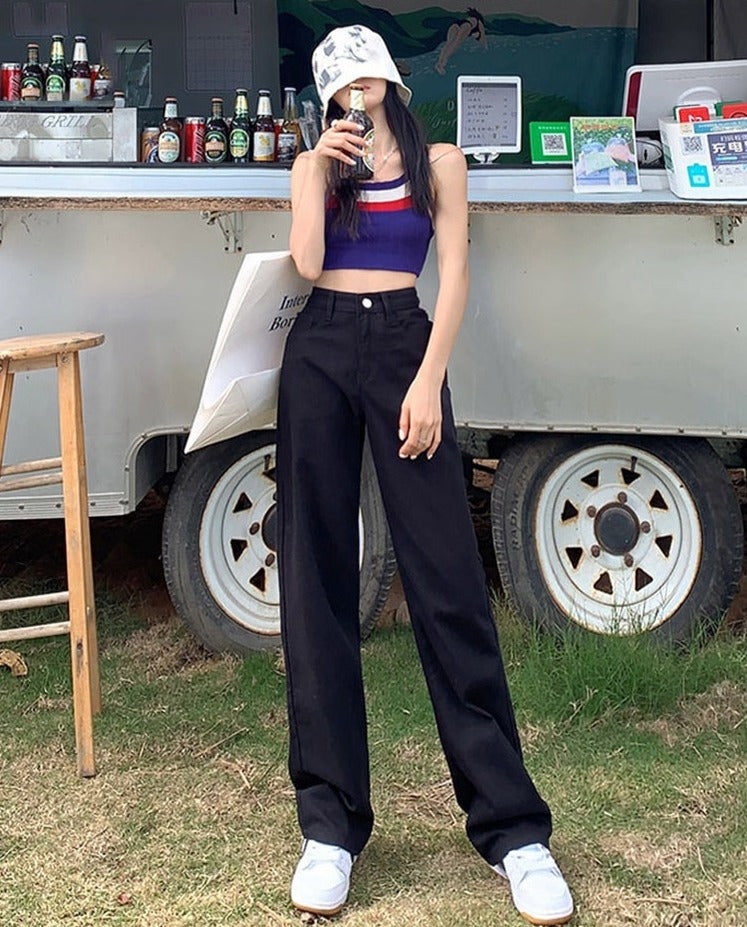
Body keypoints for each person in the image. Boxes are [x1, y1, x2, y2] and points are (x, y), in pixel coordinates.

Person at [278, 23, 574, 926]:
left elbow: (454, 274)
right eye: (337, 84)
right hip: (320, 349)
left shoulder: (440, 161)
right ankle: (329, 826)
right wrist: (315, 170)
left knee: (446, 578)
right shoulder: (313, 166)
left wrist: (427, 380)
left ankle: (512, 829)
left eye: (362, 75)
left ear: (387, 79)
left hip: (407, 343)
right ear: (327, 97)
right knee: (315, 578)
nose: (353, 90)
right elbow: (307, 264)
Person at [435, 8, 487, 75]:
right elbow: (483, 36)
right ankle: (443, 63)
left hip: (455, 24)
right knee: (456, 44)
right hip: (467, 25)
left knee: (449, 43)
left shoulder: (470, 18)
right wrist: (486, 48)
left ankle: (439, 63)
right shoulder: (479, 22)